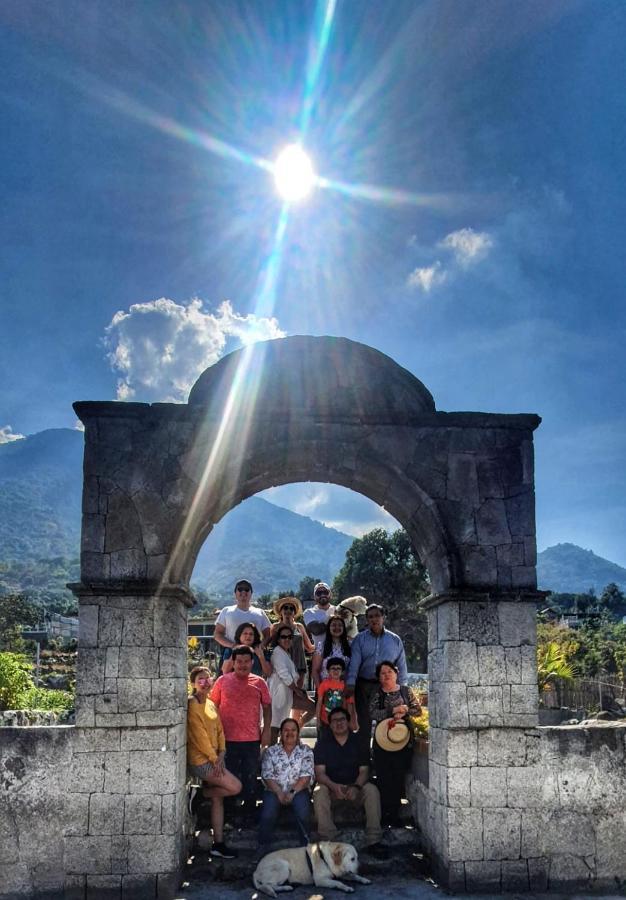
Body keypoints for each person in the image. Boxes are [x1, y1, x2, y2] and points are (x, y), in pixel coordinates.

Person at [313, 707, 388, 859]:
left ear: (348, 722)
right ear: (330, 724)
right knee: (319, 791)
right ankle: (328, 840)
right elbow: (319, 773)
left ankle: (374, 840)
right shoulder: (322, 743)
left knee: (371, 790)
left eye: (342, 720)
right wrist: (334, 787)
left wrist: (356, 787)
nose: (338, 723)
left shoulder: (359, 741)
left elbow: (364, 771)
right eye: (334, 720)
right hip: (332, 789)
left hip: (355, 788)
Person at [210, 645, 272, 824]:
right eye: (239, 661)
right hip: (226, 740)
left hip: (251, 739)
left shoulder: (260, 682)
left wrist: (266, 730)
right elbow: (212, 707)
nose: (243, 665)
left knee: (250, 777)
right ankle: (229, 814)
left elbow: (267, 708)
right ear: (233, 662)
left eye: (246, 661)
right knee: (229, 777)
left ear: (252, 662)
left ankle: (250, 814)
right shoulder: (222, 681)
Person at [186, 666, 241, 858]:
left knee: (219, 799)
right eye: (200, 679)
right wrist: (214, 758)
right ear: (193, 683)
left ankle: (218, 844)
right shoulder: (192, 704)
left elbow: (219, 729)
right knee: (235, 787)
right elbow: (199, 736)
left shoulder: (210, 703)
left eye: (208, 678)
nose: (205, 682)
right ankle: (200, 794)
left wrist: (222, 752)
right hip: (202, 760)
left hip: (217, 758)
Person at [345, 604, 408, 755]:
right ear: (367, 620)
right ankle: (364, 762)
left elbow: (401, 665)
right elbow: (354, 663)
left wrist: (403, 689)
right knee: (364, 725)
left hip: (386, 688)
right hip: (364, 686)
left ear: (383, 617)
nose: (374, 619)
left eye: (377, 615)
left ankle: (380, 760)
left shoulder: (395, 640)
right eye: (370, 617)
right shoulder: (360, 639)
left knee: (385, 724)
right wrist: (351, 683)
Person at [370, 660, 421, 825]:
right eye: (382, 673)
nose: (386, 675)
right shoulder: (378, 693)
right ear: (379, 677)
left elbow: (418, 711)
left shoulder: (406, 691)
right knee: (384, 777)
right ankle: (385, 814)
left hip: (401, 740)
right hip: (382, 740)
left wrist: (405, 710)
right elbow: (372, 713)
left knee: (398, 777)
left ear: (396, 673)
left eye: (389, 671)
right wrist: (392, 711)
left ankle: (396, 814)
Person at [257, 718, 314, 855]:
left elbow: (306, 776)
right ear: (280, 734)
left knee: (304, 813)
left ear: (298, 733)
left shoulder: (306, 751)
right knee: (268, 813)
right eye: (286, 730)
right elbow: (267, 774)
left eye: (293, 730)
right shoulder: (271, 752)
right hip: (274, 790)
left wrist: (292, 792)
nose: (290, 733)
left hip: (298, 790)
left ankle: (306, 848)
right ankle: (263, 847)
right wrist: (279, 792)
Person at [267, 627, 315, 744]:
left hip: (290, 692)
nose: (287, 639)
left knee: (313, 707)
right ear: (278, 639)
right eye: (283, 637)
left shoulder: (286, 653)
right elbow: (284, 674)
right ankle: (270, 754)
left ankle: (296, 727)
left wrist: (297, 690)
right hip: (278, 692)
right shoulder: (277, 652)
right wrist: (297, 690)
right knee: (275, 726)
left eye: (289, 637)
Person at [213, 580, 271, 664]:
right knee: (227, 677)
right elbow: (217, 634)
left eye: (247, 589)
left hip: (254, 655)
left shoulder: (260, 612)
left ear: (251, 593)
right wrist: (233, 646)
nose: (243, 591)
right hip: (231, 654)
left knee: (254, 677)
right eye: (240, 589)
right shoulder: (226, 611)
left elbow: (268, 635)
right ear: (235, 594)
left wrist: (260, 647)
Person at [266, 597, 314, 691]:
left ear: (294, 612)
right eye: (285, 608)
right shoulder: (275, 627)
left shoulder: (299, 627)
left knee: (297, 694)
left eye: (291, 608)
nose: (288, 610)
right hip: (282, 666)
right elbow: (271, 646)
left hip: (299, 664)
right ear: (281, 611)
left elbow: (309, 647)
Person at [315, 657, 358, 734]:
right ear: (328, 671)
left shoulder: (346, 686)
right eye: (333, 668)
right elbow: (319, 703)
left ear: (342, 671)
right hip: (326, 721)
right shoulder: (324, 685)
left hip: (341, 722)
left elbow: (349, 705)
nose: (336, 671)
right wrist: (318, 720)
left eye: (338, 668)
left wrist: (349, 720)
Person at [311, 615, 352, 690]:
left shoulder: (350, 645)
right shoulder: (322, 646)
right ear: (329, 628)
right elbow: (315, 671)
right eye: (333, 625)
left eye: (340, 625)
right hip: (325, 689)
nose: (337, 628)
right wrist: (321, 691)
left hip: (344, 689)